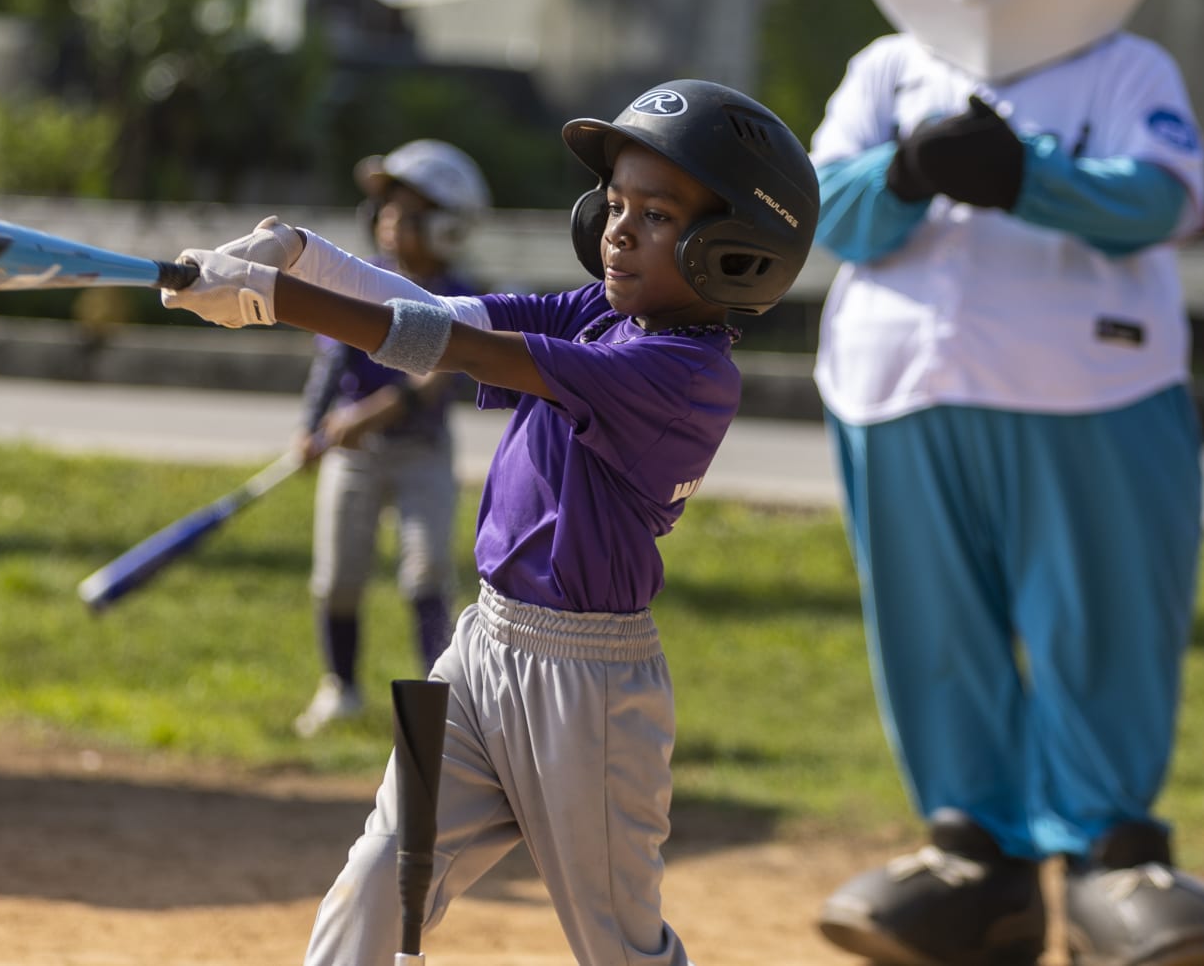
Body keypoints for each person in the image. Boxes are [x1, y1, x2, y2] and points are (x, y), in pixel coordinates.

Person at [162, 79, 818, 966]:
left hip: (586, 690)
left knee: (618, 945)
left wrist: (274, 298)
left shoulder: (683, 375)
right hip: (481, 648)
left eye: (658, 216)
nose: (619, 231)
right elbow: (436, 315)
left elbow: (456, 349)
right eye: (616, 205)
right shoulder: (600, 313)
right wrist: (301, 253)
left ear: (737, 254)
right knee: (382, 877)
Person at [808, 0, 1204, 966]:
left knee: (1097, 620)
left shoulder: (1124, 67)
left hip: (1091, 392)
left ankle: (1113, 851)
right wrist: (902, 173)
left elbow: (1159, 198)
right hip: (901, 393)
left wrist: (1028, 178)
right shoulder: (886, 70)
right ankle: (975, 857)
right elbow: (820, 207)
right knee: (931, 625)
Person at [290, 139, 490, 737]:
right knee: (338, 576)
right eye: (385, 210)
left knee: (427, 573)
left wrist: (367, 415)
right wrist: (311, 426)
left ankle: (437, 699)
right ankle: (341, 688)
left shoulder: (460, 298)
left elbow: (435, 380)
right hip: (353, 454)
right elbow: (331, 362)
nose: (388, 222)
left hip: (421, 451)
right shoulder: (363, 282)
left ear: (446, 227)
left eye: (407, 213)